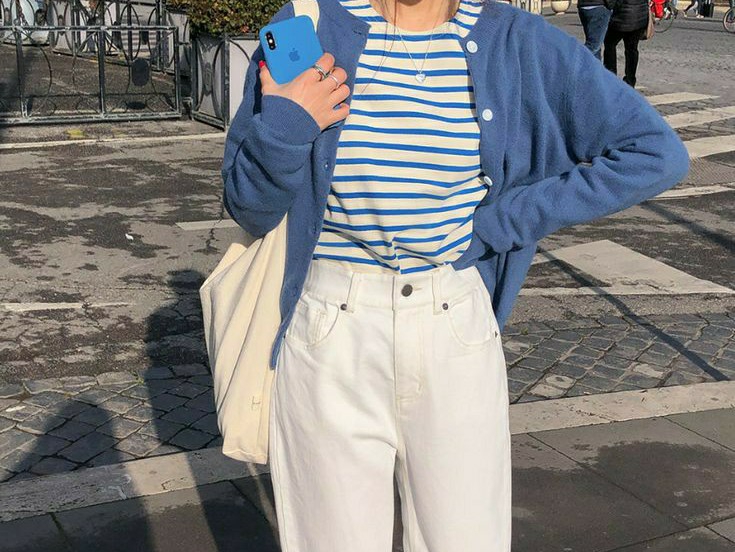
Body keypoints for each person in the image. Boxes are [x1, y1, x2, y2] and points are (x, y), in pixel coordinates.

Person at [221, 0, 689, 549]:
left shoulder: (516, 40)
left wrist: (501, 223)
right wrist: (287, 126)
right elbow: (249, 206)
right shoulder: (310, 25)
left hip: (453, 328)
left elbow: (655, 152)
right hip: (329, 335)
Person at [603, 0, 648, 88]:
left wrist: (611, 6)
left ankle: (611, 76)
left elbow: (613, 2)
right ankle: (630, 80)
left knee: (610, 44)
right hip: (640, 16)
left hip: (622, 16)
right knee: (632, 49)